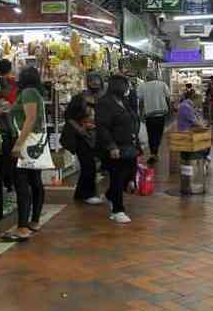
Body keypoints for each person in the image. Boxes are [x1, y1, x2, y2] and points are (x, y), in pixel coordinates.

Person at [2, 66, 47, 242]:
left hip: (26, 142)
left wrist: (18, 144)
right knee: (35, 181)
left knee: (22, 184)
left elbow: (30, 119)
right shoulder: (36, 92)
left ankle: (22, 227)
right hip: (33, 142)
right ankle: (33, 221)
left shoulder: (28, 92)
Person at [96, 75, 140, 224]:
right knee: (117, 176)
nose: (127, 89)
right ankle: (117, 210)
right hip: (114, 146)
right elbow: (102, 126)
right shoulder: (104, 103)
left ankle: (110, 195)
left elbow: (132, 119)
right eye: (125, 85)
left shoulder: (124, 102)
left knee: (128, 174)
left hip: (129, 145)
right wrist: (111, 146)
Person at [61, 94, 103, 205]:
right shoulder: (79, 99)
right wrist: (81, 128)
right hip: (80, 138)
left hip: (90, 137)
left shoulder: (95, 100)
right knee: (89, 166)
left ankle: (80, 193)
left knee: (89, 166)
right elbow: (69, 118)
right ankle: (87, 194)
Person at [137, 72, 170, 163]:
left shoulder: (142, 86)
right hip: (160, 114)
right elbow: (168, 97)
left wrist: (140, 113)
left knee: (151, 134)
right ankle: (154, 152)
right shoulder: (162, 84)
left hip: (149, 115)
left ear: (147, 77)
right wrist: (169, 108)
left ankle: (153, 153)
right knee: (158, 134)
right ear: (155, 77)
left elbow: (141, 101)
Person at [0, 59, 18, 192]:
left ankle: (5, 183)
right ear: (10, 69)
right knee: (10, 156)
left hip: (0, 124)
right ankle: (10, 183)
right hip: (11, 124)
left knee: (4, 156)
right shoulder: (13, 83)